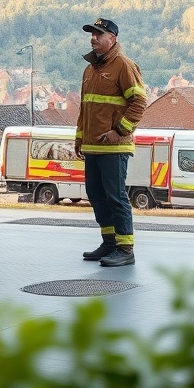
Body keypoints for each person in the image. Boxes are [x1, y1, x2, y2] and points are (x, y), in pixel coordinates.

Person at [74, 17, 147, 267]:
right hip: (92, 147)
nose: (93, 38)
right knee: (96, 195)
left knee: (116, 197)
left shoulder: (124, 65)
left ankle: (125, 249)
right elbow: (85, 109)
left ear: (112, 38)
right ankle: (109, 243)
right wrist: (79, 138)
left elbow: (139, 102)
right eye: (92, 34)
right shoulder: (89, 69)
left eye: (99, 34)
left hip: (114, 147)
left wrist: (120, 131)